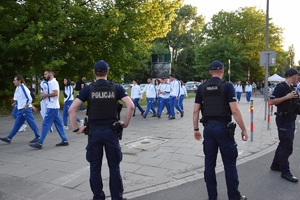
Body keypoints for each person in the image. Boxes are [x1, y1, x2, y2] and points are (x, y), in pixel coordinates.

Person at [68, 60, 134, 200]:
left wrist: (77, 129)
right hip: (111, 132)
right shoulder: (116, 87)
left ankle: (98, 197)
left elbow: (71, 110)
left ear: (94, 72)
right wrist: (125, 124)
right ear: (107, 72)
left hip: (94, 133)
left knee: (95, 167)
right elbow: (131, 106)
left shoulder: (88, 89)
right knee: (114, 167)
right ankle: (117, 197)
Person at [193, 60, 248, 200]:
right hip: (223, 129)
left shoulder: (202, 87)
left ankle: (212, 197)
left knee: (209, 164)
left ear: (210, 72)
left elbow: (195, 111)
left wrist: (196, 129)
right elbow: (235, 110)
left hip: (208, 129)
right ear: (222, 70)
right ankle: (234, 197)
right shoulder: (227, 86)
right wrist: (244, 129)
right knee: (229, 164)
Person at [270, 68, 299, 183]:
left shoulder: (291, 88)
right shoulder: (281, 87)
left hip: (290, 119)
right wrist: (287, 97)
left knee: (283, 143)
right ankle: (285, 171)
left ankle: (275, 165)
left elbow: (295, 104)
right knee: (287, 146)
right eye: (297, 76)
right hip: (283, 120)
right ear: (293, 76)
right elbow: (272, 101)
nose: (298, 78)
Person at [29, 70, 69, 149]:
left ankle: (40, 143)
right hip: (54, 106)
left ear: (51, 74)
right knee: (59, 125)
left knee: (45, 124)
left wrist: (45, 95)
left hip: (52, 107)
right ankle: (64, 140)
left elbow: (56, 93)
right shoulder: (50, 82)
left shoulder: (53, 82)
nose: (44, 75)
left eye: (46, 74)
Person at [0, 75, 40, 144]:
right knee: (17, 124)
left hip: (25, 109)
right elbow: (19, 98)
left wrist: (27, 105)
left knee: (31, 122)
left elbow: (29, 98)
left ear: (19, 81)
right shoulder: (17, 88)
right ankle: (9, 138)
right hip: (20, 109)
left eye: (15, 80)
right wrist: (15, 103)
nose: (13, 82)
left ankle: (38, 136)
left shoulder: (23, 88)